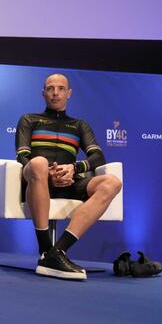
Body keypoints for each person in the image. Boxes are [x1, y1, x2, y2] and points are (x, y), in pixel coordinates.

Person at [15, 73, 122, 280]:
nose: (55, 93)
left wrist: (74, 168)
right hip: (36, 181)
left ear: (69, 93)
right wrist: (48, 175)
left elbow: (98, 156)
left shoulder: (79, 125)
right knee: (39, 162)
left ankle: (57, 252)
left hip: (69, 181)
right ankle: (45, 249)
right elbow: (22, 155)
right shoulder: (29, 119)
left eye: (61, 88)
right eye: (50, 88)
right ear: (43, 93)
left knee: (112, 183)